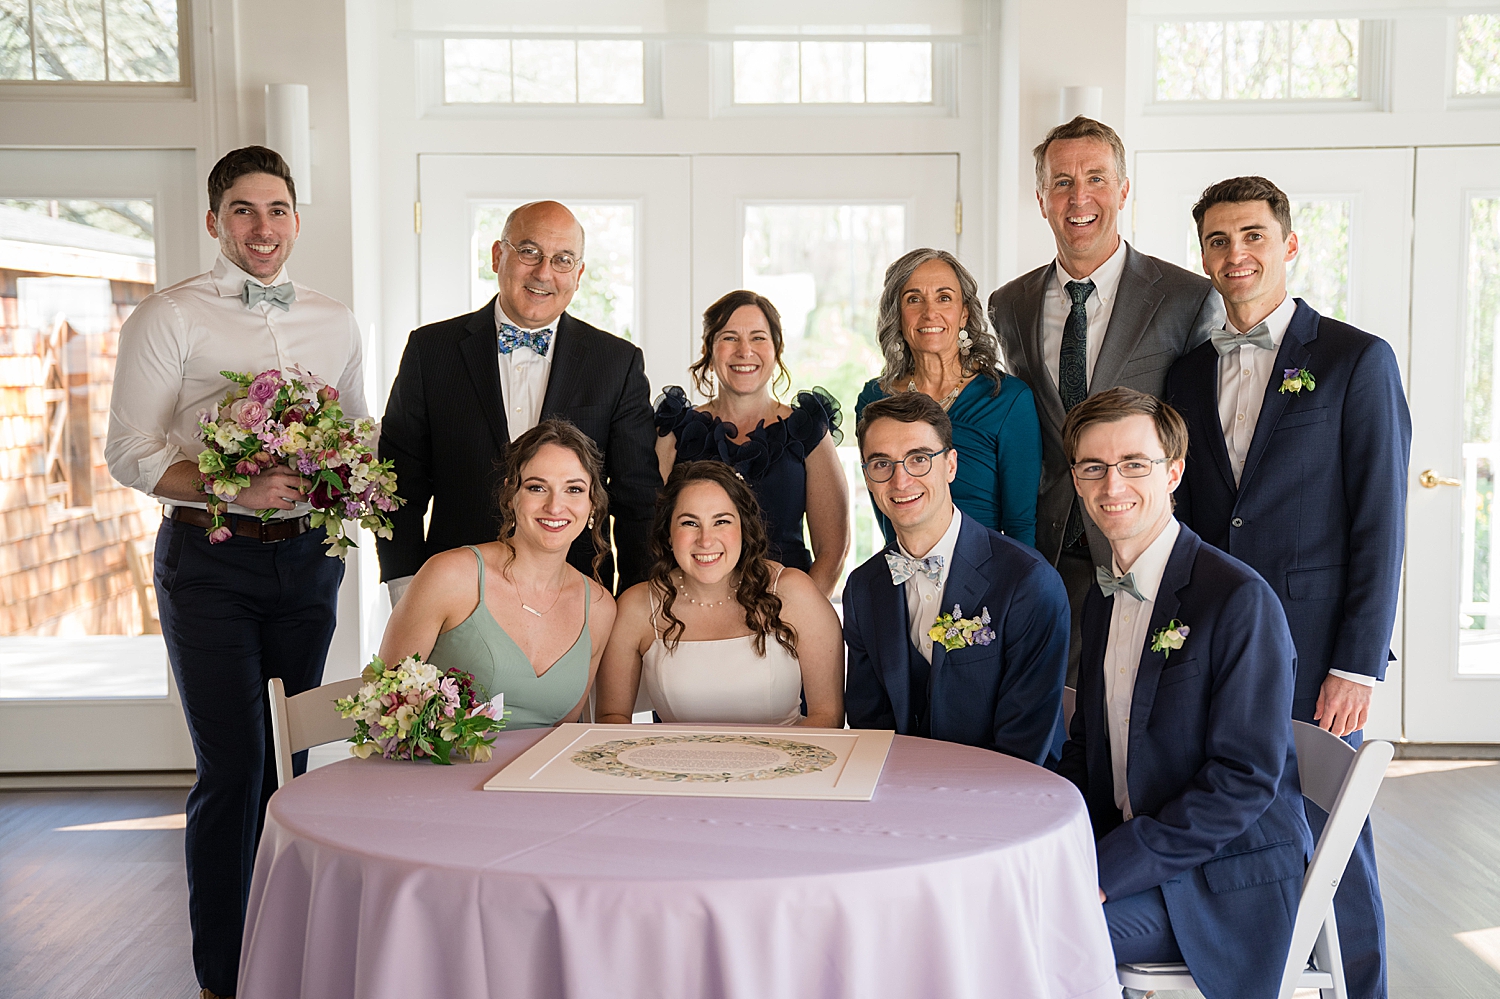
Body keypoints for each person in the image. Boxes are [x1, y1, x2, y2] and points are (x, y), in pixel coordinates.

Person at [103, 146, 368, 999]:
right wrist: (233, 481)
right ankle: (223, 976)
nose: (264, 227)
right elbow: (128, 452)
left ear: (297, 219)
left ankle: (290, 956)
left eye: (279, 209)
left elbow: (357, 434)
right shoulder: (169, 316)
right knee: (234, 765)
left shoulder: (336, 318)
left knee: (291, 759)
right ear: (215, 222)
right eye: (245, 210)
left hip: (306, 564)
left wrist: (339, 472)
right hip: (208, 561)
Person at [1165, 175, 1409, 999]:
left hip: (1315, 650)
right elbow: (1196, 525)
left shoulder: (1354, 359)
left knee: (1334, 829)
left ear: (1290, 245)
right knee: (1236, 812)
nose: (1237, 255)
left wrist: (1358, 662)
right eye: (1219, 241)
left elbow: (1381, 523)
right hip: (1219, 644)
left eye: (1254, 236)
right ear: (1203, 255)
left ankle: (1361, 988)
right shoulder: (1187, 375)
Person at [1057, 387, 1313, 999]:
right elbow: (1089, 747)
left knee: (1032, 935)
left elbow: (1244, 780)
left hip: (1217, 881)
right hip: (1127, 853)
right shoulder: (1102, 599)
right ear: (1075, 478)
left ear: (1173, 472)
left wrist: (1107, 870)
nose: (1111, 484)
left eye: (1133, 465)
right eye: (1093, 467)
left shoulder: (1237, 600)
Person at [987, 115, 1222, 684]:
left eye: (1095, 178)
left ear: (1122, 190)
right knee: (1056, 720)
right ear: (1041, 200)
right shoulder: (1008, 304)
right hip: (1047, 555)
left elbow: (1202, 437)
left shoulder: (1188, 298)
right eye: (1061, 182)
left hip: (1143, 545)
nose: (1079, 197)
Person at [377, 200, 660, 602]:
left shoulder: (617, 362)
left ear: (578, 275)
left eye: (562, 260)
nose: (544, 273)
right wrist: (406, 584)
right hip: (454, 589)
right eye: (529, 252)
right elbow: (398, 481)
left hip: (576, 592)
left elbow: (637, 499)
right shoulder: (430, 350)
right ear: (498, 255)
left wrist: (637, 602)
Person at [843, 393, 1068, 766]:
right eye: (882, 463)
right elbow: (871, 726)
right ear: (868, 476)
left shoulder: (1028, 582)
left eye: (919, 459)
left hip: (1015, 795)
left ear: (950, 465)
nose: (901, 480)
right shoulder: (863, 588)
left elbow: (1025, 743)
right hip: (906, 793)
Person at [378, 420, 615, 728]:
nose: (555, 506)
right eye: (536, 487)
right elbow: (384, 703)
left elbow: (565, 735)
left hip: (539, 776)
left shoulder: (599, 608)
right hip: (441, 772)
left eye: (574, 489)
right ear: (511, 495)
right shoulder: (451, 575)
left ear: (592, 503)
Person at [596, 461, 844, 727]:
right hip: (673, 766)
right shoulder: (637, 606)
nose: (705, 540)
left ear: (743, 528)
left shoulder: (793, 593)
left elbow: (827, 716)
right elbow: (611, 718)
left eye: (721, 521)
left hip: (786, 764)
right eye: (690, 523)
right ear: (668, 533)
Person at [654, 290, 849, 596]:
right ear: (709, 348)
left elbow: (832, 550)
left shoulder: (807, 429)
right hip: (695, 608)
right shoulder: (676, 429)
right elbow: (655, 535)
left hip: (788, 607)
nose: (745, 351)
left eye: (758, 338)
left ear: (776, 348)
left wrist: (800, 615)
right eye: (730, 338)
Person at [856, 248, 1041, 548]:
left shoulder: (1008, 400)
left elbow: (1021, 527)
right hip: (908, 575)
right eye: (913, 299)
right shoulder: (874, 400)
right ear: (897, 314)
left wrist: (1018, 591)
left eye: (944, 298)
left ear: (964, 312)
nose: (930, 312)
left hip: (989, 577)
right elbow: (887, 513)